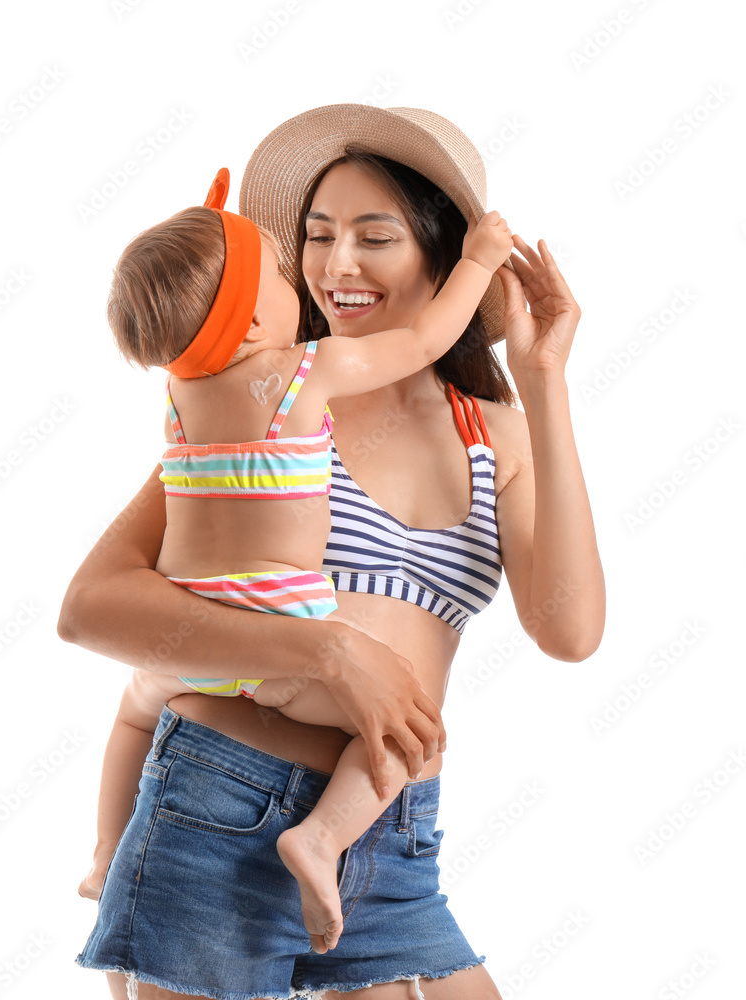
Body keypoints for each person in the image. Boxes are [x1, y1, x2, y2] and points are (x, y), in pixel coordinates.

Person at [62, 104, 605, 1000]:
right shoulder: (272, 407)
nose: (335, 265)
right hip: (222, 808)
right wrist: (329, 651)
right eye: (315, 237)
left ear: (442, 250)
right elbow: (90, 609)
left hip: (388, 833)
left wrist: (543, 380)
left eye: (374, 236)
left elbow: (568, 629)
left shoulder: (492, 436)